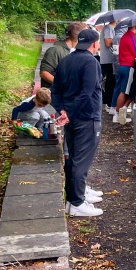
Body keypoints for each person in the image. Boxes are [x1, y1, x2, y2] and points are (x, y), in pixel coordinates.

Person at [51, 29, 104, 217]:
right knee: (81, 160)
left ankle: (76, 195)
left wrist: (63, 111)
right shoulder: (91, 62)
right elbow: (87, 93)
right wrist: (69, 113)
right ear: (94, 44)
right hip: (87, 118)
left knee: (73, 157)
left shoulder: (65, 61)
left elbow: (54, 91)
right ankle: (77, 202)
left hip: (71, 118)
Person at [113, 23, 136, 124]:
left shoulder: (126, 37)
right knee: (124, 91)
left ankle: (121, 113)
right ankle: (117, 114)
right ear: (135, 27)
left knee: (129, 90)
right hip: (128, 67)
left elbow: (134, 52)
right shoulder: (130, 38)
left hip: (124, 66)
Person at [39, 22, 86, 88]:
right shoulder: (55, 50)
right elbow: (44, 73)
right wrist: (64, 85)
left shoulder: (80, 50)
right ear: (80, 37)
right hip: (55, 94)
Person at [100, 20, 118, 112]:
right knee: (110, 82)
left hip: (110, 60)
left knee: (111, 81)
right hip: (108, 60)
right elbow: (107, 42)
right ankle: (109, 104)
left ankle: (109, 103)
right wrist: (117, 39)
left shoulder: (111, 28)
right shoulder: (108, 28)